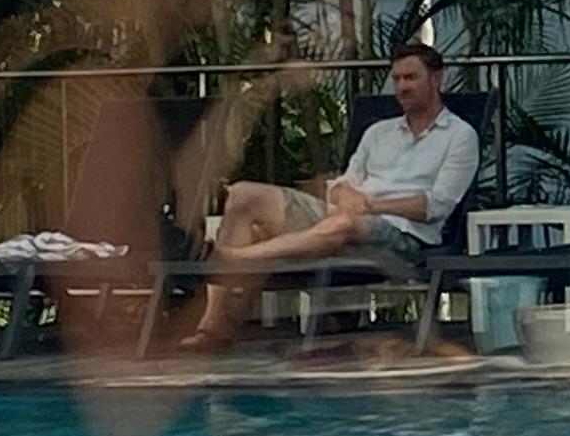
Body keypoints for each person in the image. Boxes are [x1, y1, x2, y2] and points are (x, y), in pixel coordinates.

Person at [180, 41, 477, 351]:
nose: (401, 86)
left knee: (335, 224)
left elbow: (437, 206)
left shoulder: (459, 136)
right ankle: (212, 327)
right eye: (397, 79)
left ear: (437, 78)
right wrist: (344, 192)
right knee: (242, 195)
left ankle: (230, 260)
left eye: (411, 78)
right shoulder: (379, 133)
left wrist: (371, 205)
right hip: (344, 216)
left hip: (404, 233)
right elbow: (341, 184)